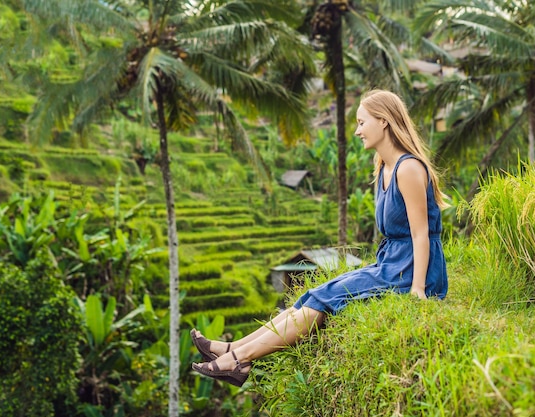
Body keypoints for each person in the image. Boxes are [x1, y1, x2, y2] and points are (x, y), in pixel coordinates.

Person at [191, 89, 449, 387]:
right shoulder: (384, 168)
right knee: (311, 297)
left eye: (362, 122)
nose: (357, 130)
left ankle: (241, 359)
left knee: (324, 301)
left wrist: (418, 289)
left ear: (384, 121)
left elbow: (421, 235)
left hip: (414, 270)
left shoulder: (409, 168)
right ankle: (232, 349)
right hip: (390, 263)